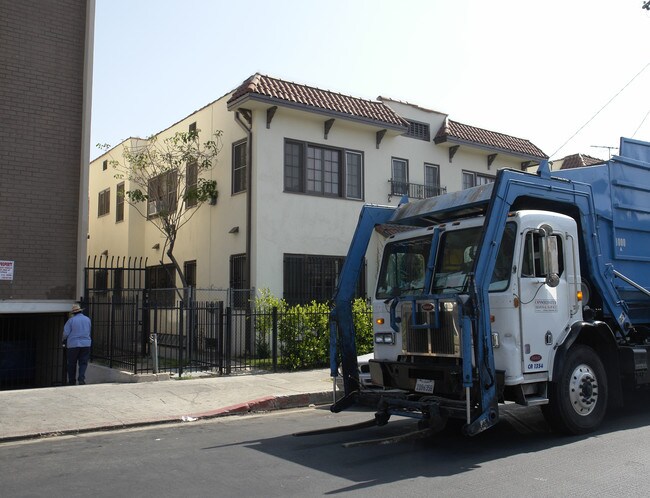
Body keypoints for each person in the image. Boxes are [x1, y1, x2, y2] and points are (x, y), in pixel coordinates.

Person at [62, 304, 92, 385]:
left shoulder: (71, 321)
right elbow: (89, 330)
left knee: (71, 363)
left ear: (73, 313)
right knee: (83, 363)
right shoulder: (87, 319)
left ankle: (72, 381)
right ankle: (81, 379)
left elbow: (65, 333)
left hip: (73, 344)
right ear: (80, 311)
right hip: (86, 344)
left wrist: (63, 340)